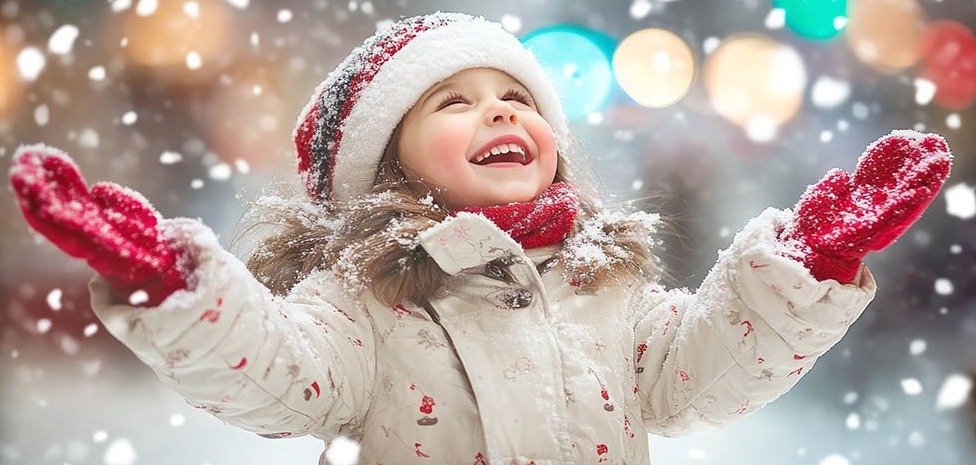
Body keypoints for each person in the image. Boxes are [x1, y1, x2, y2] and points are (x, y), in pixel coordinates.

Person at [8, 11, 953, 465]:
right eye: (453, 102)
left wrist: (806, 266)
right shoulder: (364, 299)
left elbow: (701, 371)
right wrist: (174, 287)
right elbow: (275, 370)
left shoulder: (605, 284)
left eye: (515, 98)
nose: (499, 112)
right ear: (387, 163)